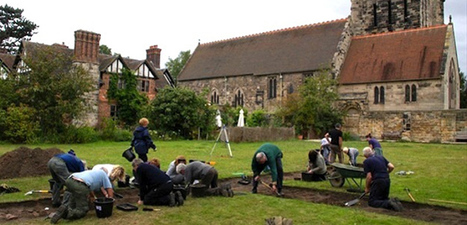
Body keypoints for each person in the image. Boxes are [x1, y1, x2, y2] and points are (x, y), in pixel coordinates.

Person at [362, 147, 402, 211]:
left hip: (378, 181)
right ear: (372, 152)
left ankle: (388, 203)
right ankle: (393, 202)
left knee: (372, 202)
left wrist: (367, 188)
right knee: (383, 198)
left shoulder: (367, 161)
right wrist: (386, 173)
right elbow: (391, 167)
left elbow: (369, 177)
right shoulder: (381, 157)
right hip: (387, 180)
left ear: (365, 155)